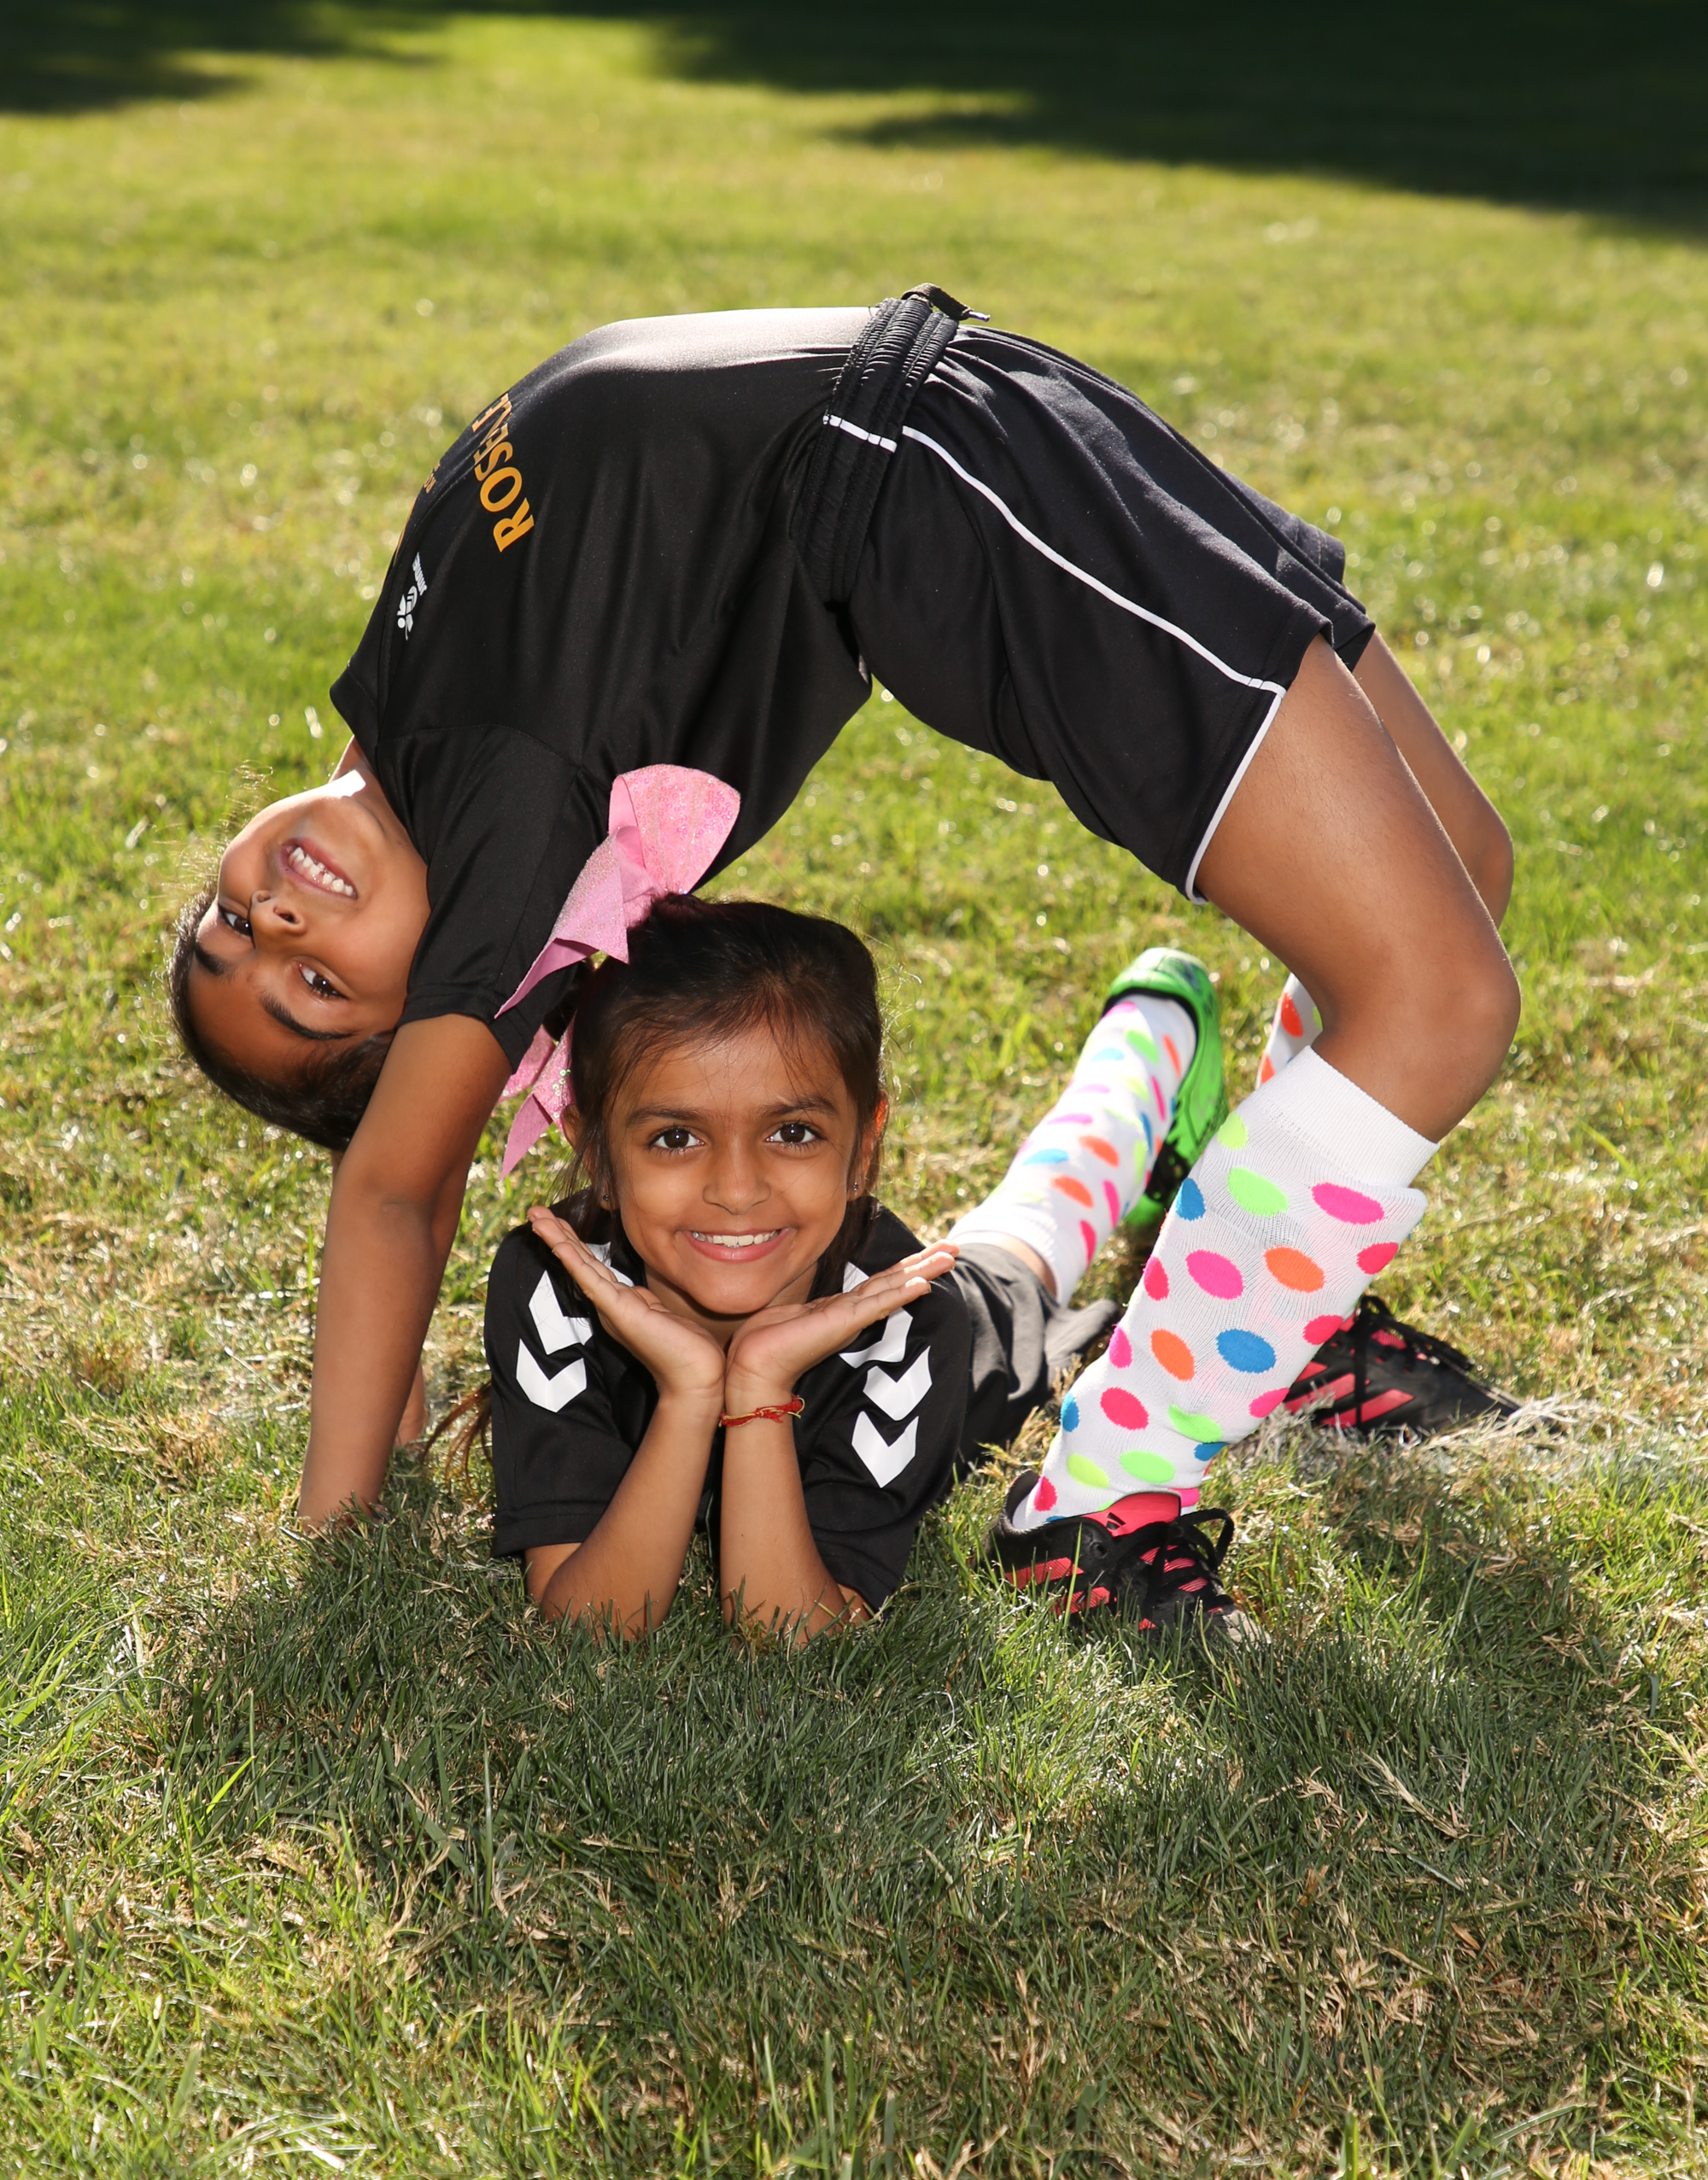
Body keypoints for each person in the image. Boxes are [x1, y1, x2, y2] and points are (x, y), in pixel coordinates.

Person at [167, 285, 1520, 1554]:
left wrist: (390, 1373)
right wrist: (338, 1522)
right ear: (443, 1002)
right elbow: (397, 1185)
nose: (278, 915)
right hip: (951, 489)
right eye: (314, 985)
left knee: (1463, 864)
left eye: (230, 921)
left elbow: (401, 1154)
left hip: (977, 412)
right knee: (1436, 999)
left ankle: (1283, 1323)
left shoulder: (406, 719)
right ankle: (1102, 1510)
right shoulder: (506, 817)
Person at [471, 891, 1255, 1637]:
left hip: (972, 1317)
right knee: (1029, 1210)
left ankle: (1158, 1021)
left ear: (863, 1147)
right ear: (596, 1154)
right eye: (675, 1138)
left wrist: (758, 1387)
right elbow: (594, 1623)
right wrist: (692, 1391)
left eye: (793, 1133)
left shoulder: (913, 1321)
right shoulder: (555, 1285)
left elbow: (787, 1631)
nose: (736, 1190)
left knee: (1042, 1220)